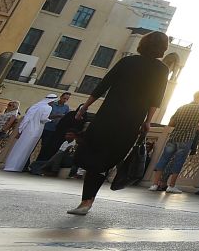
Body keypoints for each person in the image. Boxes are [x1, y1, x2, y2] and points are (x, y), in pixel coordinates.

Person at [66, 31, 170, 215]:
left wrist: (84, 107)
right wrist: (148, 121)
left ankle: (86, 201)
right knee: (107, 159)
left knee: (95, 157)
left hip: (108, 116)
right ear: (163, 49)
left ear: (143, 44)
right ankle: (88, 200)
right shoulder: (162, 70)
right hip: (131, 121)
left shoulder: (127, 62)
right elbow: (156, 98)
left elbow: (103, 85)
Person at [149, 91, 199, 193]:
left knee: (163, 160)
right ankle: (171, 186)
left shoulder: (182, 107)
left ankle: (154, 184)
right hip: (187, 138)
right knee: (179, 162)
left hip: (174, 137)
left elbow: (171, 123)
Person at [3, 92, 59, 173]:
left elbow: (26, 118)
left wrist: (20, 130)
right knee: (26, 149)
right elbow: (43, 119)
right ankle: (16, 167)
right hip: (35, 130)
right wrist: (51, 120)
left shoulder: (36, 106)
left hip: (27, 129)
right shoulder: (48, 108)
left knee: (19, 147)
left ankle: (10, 165)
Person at [36, 92, 72, 162]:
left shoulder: (66, 107)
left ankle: (38, 163)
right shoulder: (52, 104)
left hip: (53, 130)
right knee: (33, 144)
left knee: (45, 147)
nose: (65, 100)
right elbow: (46, 116)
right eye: (64, 98)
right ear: (61, 97)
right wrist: (57, 116)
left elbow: (66, 118)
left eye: (67, 99)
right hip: (44, 126)